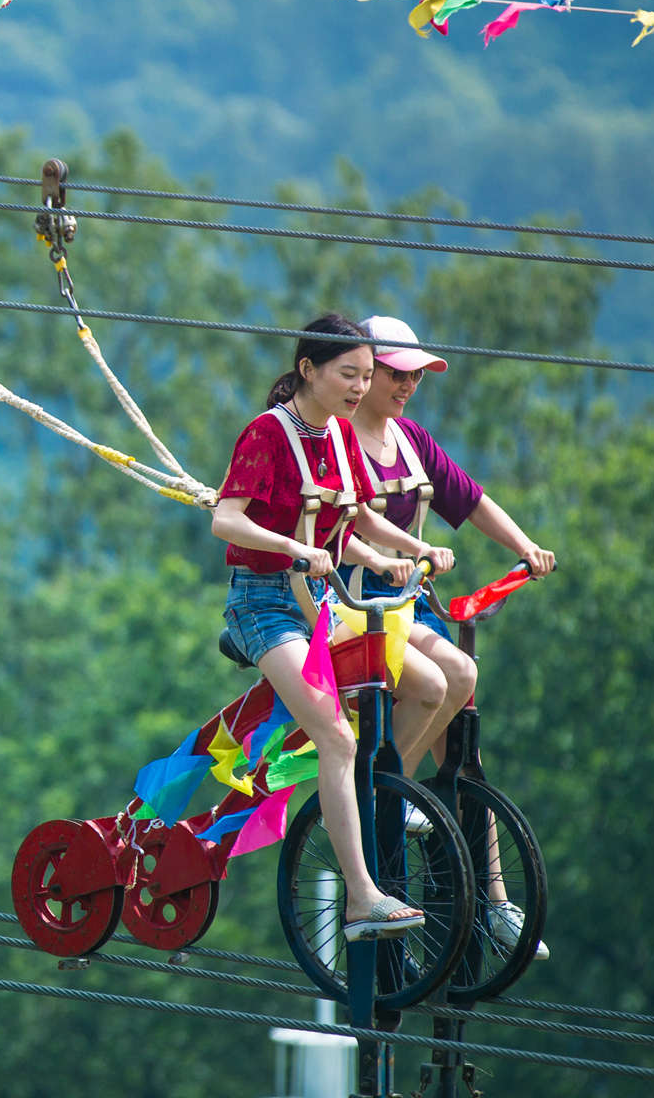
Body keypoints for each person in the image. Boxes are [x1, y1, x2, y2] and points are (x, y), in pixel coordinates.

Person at [209, 315, 456, 938]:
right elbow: (226, 520)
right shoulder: (267, 435)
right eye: (349, 373)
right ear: (307, 370)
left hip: (320, 598)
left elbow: (362, 523)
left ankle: (379, 804)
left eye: (367, 376)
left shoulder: (340, 436)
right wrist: (294, 549)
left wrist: (405, 553)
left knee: (431, 684)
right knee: (338, 737)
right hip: (264, 604)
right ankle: (361, 898)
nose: (360, 386)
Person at [348, 313, 558, 955]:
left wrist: (526, 545)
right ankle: (391, 796)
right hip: (354, 606)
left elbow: (469, 500)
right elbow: (332, 532)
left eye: (414, 375)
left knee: (464, 745)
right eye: (394, 373)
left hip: (409, 608)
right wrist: (406, 551)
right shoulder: (333, 441)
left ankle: (492, 900)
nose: (406, 386)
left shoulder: (410, 440)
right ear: (361, 374)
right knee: (446, 683)